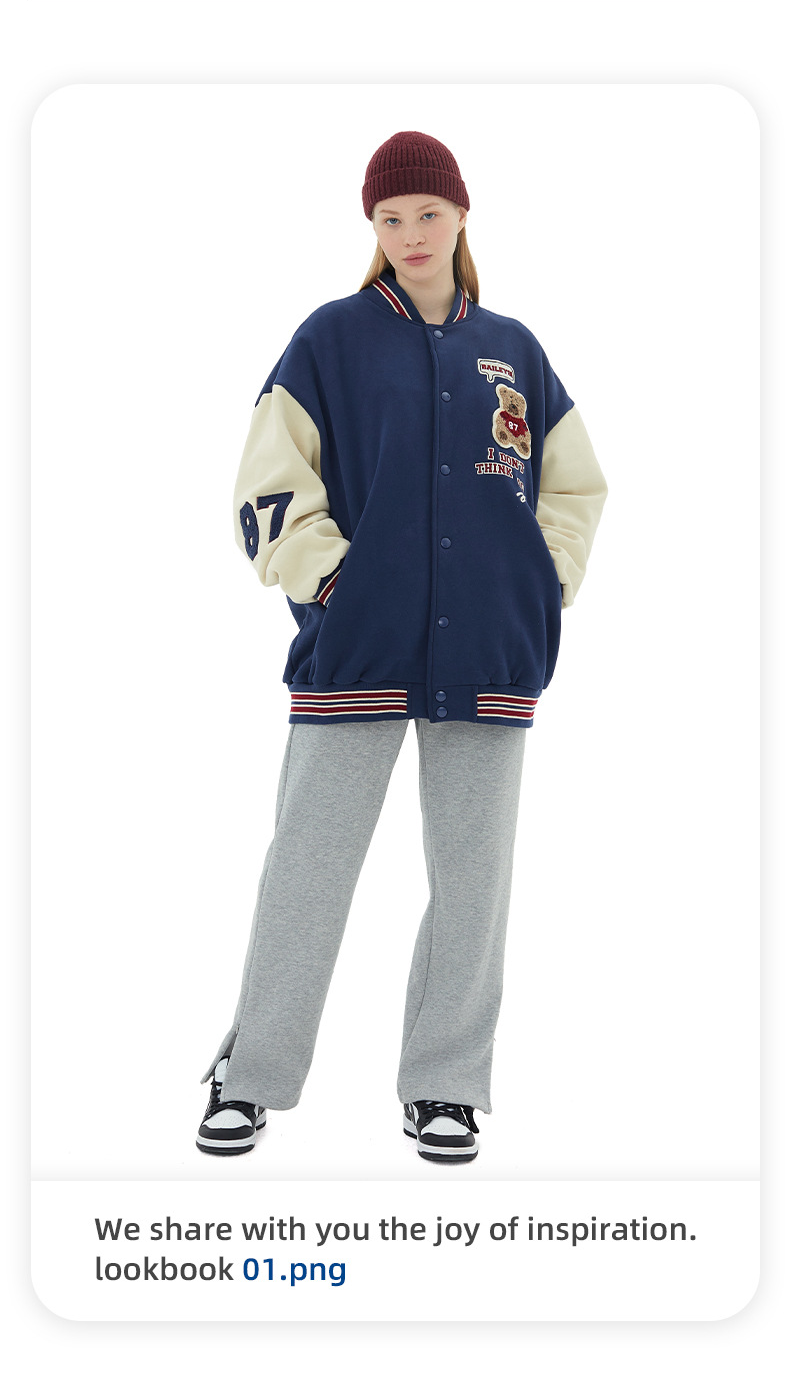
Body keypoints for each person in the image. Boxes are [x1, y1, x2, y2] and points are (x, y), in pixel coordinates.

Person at [196, 130, 608, 1163]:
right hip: (360, 645)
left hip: (489, 650)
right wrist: (330, 581)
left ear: (461, 215)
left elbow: (575, 486)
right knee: (308, 867)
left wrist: (540, 582)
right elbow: (265, 482)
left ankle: (445, 1088)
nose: (412, 233)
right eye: (391, 217)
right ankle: (251, 1077)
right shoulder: (330, 339)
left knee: (474, 881)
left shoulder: (514, 350)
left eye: (428, 213)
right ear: (372, 226)